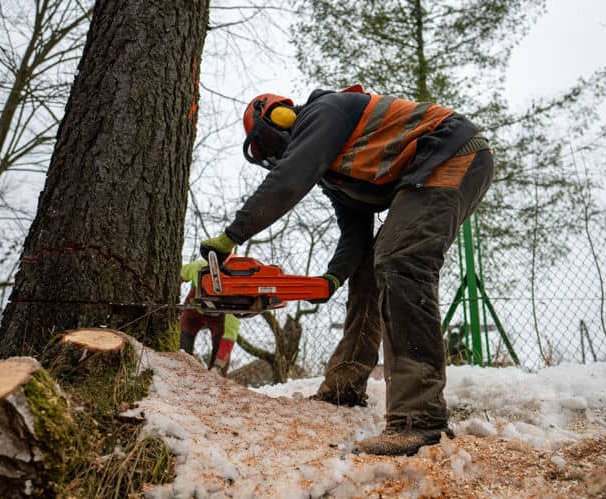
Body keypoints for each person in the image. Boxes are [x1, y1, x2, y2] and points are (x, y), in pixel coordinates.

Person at [199, 85, 493, 456]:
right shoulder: (336, 174)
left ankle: (419, 419)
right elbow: (355, 236)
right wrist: (330, 279)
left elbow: (290, 178)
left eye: (266, 146)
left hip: (450, 152)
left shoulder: (325, 112)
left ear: (279, 118)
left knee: (401, 260)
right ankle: (344, 387)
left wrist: (231, 236)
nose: (271, 155)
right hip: (427, 168)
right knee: (374, 266)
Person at [179, 258, 239, 376]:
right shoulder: (198, 268)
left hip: (219, 319)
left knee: (218, 368)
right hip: (193, 311)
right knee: (183, 339)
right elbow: (178, 274)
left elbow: (229, 336)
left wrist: (217, 366)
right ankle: (181, 371)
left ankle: (217, 377)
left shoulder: (235, 302)